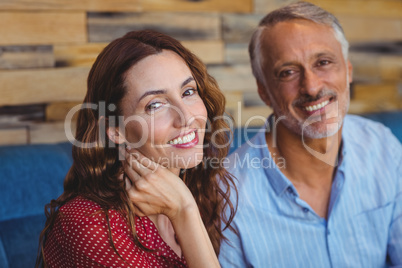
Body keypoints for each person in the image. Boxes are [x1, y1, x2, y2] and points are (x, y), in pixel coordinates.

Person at [218, 1, 401, 267]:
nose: (312, 87)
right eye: (288, 72)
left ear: (348, 71)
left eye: (323, 62)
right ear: (263, 91)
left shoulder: (383, 147)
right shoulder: (227, 197)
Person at [36, 30, 237, 268]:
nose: (186, 118)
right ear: (115, 129)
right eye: (155, 105)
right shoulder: (89, 225)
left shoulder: (199, 186)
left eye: (188, 92)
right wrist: (185, 212)